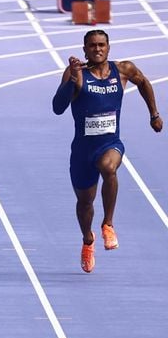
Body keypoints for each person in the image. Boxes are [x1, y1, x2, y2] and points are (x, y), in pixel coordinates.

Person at [52, 29, 162, 273]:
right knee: (85, 203)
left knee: (108, 167)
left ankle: (108, 225)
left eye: (101, 44)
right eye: (92, 45)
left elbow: (143, 82)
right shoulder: (75, 73)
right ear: (85, 50)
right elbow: (57, 108)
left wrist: (154, 114)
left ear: (109, 47)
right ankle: (87, 240)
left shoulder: (123, 69)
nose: (97, 49)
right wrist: (71, 81)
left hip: (110, 143)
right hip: (82, 151)